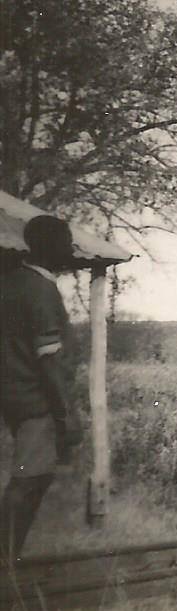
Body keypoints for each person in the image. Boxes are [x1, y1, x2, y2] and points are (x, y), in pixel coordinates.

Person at [1, 215, 82, 567]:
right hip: (37, 400)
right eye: (65, 240)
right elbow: (48, 359)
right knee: (29, 480)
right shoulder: (40, 289)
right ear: (48, 246)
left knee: (31, 477)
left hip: (14, 395)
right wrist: (65, 414)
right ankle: (4, 564)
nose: (71, 248)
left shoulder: (13, 282)